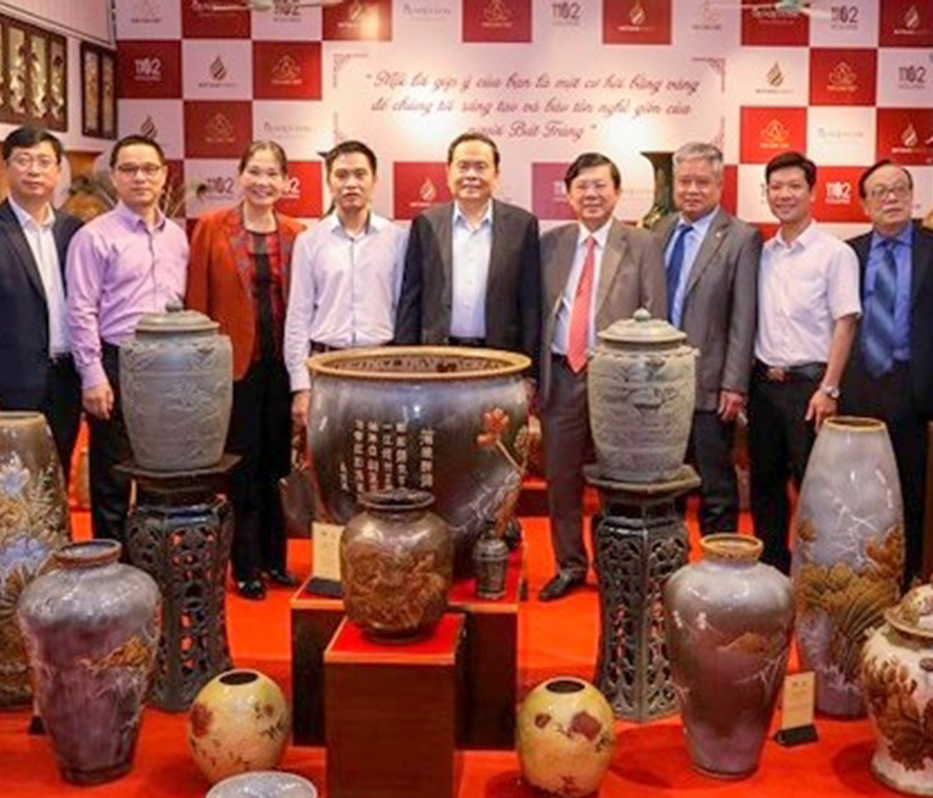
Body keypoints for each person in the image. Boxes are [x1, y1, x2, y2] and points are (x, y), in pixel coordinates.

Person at [537, 152, 666, 600]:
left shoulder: (642, 243)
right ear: (569, 196)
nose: (591, 195)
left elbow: (656, 316)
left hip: (619, 381)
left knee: (618, 480)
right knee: (561, 478)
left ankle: (619, 566)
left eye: (600, 186)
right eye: (581, 187)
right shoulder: (549, 245)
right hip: (561, 374)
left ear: (616, 193)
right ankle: (569, 565)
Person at [187, 141, 306, 600]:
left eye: (273, 173)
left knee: (277, 465)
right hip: (232, 369)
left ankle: (276, 560)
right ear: (240, 176)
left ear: (286, 182)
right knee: (241, 468)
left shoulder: (297, 233)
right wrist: (200, 369)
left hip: (283, 369)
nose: (263, 182)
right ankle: (246, 565)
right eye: (254, 172)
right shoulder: (214, 227)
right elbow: (197, 300)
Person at [66, 135, 189, 544]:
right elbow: (80, 310)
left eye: (149, 169)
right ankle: (114, 572)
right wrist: (92, 375)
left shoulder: (177, 236)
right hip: (118, 362)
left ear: (164, 176)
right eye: (129, 169)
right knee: (113, 476)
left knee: (161, 469)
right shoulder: (94, 236)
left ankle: (154, 561)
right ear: (114, 177)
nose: (140, 178)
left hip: (171, 365)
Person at [843, 160, 933, 580]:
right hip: (860, 385)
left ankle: (911, 575)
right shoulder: (849, 253)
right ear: (863, 205)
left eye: (899, 189)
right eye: (879, 192)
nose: (890, 198)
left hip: (915, 384)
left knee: (914, 489)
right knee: (861, 489)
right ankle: (862, 572)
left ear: (914, 197)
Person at [748, 151, 860, 574]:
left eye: (794, 186)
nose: (784, 195)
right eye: (776, 187)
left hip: (809, 388)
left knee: (814, 488)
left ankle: (816, 575)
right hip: (764, 385)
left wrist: (829, 388)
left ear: (812, 192)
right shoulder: (762, 252)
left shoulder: (834, 254)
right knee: (765, 486)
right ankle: (772, 570)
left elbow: (845, 323)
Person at [0, 125, 83, 481]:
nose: (34, 170)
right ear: (6, 167)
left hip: (66, 378)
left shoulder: (74, 231)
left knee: (57, 478)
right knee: (10, 484)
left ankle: (57, 540)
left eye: (44, 161)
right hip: (9, 385)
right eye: (23, 160)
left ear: (58, 171)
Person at [651, 142, 759, 536]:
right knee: (666, 483)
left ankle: (718, 578)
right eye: (684, 182)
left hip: (711, 384)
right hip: (659, 384)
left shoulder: (741, 238)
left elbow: (743, 318)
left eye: (701, 182)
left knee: (715, 487)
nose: (691, 190)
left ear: (720, 184)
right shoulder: (660, 230)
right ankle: (669, 567)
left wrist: (734, 383)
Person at [284, 140, 407, 435]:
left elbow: (403, 310)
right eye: (341, 175)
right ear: (329, 182)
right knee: (330, 464)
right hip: (327, 368)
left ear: (375, 181)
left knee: (381, 461)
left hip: (383, 368)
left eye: (360, 174)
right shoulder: (309, 241)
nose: (351, 183)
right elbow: (299, 317)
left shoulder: (398, 238)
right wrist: (301, 386)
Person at [395, 131, 542, 378]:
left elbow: (530, 305)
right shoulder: (426, 223)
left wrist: (528, 374)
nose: (471, 175)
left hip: (500, 360)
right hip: (437, 359)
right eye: (463, 166)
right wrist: (405, 364)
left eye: (481, 167)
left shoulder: (522, 225)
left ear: (496, 175)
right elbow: (411, 299)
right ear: (448, 173)